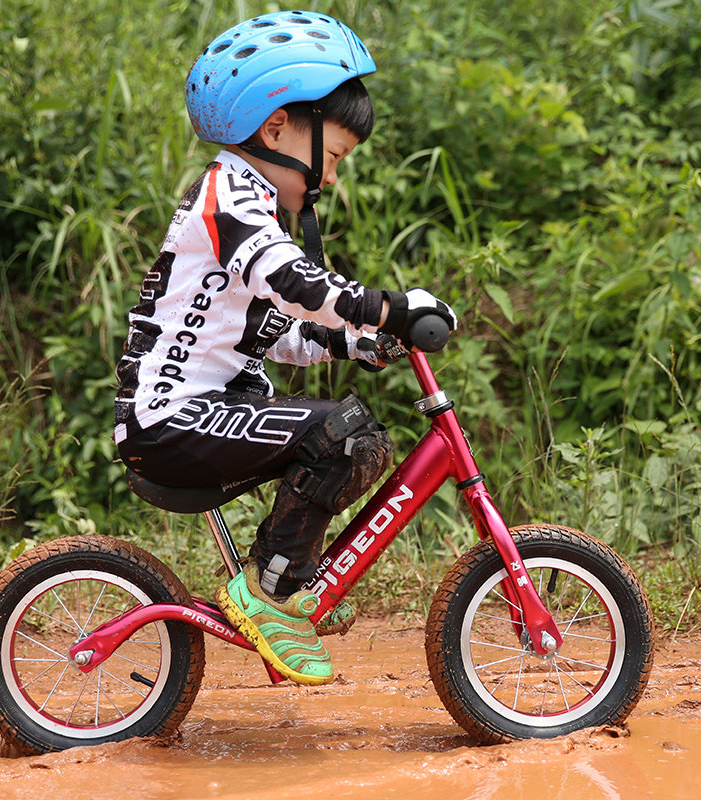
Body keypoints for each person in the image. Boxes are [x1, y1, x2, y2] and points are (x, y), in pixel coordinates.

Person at [114, 10, 457, 686]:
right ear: (276, 130)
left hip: (203, 408)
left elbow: (279, 328)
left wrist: (354, 342)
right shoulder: (229, 197)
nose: (329, 177)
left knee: (351, 435)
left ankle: (281, 583)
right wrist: (392, 307)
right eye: (330, 157)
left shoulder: (246, 201)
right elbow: (295, 283)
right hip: (173, 417)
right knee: (342, 437)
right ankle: (272, 594)